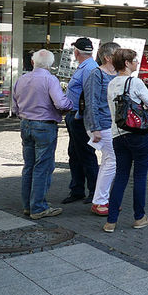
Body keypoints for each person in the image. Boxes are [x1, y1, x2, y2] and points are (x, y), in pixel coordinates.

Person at [11, 49, 74, 219]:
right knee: (42, 167)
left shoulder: (21, 79)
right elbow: (61, 103)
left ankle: (28, 205)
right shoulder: (50, 79)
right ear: (51, 64)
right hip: (44, 126)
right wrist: (71, 105)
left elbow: (14, 107)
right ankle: (38, 207)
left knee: (29, 166)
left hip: (25, 124)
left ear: (33, 62)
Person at [103, 48, 148, 232]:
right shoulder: (135, 83)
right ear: (126, 63)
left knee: (121, 176)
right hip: (137, 133)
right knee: (140, 176)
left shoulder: (111, 84)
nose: (137, 63)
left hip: (117, 134)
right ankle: (139, 217)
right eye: (134, 60)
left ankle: (111, 221)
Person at [84, 41, 121, 217]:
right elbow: (91, 102)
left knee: (111, 161)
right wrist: (95, 128)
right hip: (103, 124)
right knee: (111, 161)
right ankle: (100, 201)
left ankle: (104, 199)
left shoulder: (117, 74)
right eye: (117, 54)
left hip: (114, 124)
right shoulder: (96, 74)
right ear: (107, 57)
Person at [61, 37, 99, 204]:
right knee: (75, 153)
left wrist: (81, 117)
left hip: (79, 117)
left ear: (76, 52)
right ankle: (77, 189)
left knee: (85, 153)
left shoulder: (89, 68)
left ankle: (94, 191)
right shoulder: (86, 66)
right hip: (75, 116)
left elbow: (90, 96)